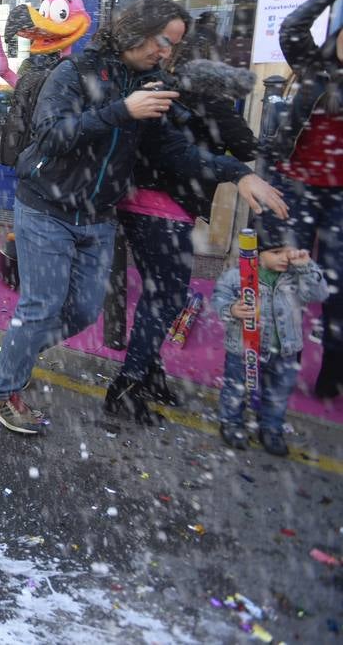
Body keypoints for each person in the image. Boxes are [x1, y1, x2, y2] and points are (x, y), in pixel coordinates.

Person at [0, 0, 288, 436]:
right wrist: (120, 111)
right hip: (45, 206)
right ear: (135, 31)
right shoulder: (75, 72)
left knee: (85, 311)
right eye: (164, 41)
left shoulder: (152, 84)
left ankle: (19, 353)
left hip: (98, 215)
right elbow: (49, 136)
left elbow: (173, 151)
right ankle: (3, 391)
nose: (165, 53)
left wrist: (238, 173)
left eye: (173, 46)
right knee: (41, 306)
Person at [106, 39, 258, 423]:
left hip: (137, 203)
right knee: (167, 300)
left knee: (158, 296)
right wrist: (222, 106)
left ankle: (149, 371)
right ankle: (127, 385)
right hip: (167, 210)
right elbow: (245, 146)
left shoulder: (163, 91)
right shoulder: (202, 102)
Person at [260, 0, 343, 398]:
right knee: (286, 278)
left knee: (336, 287)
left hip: (339, 200)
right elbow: (292, 25)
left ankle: (331, 373)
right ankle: (279, 370)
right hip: (296, 187)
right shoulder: (318, 67)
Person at [211, 217, 326, 455]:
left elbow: (319, 293)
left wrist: (307, 266)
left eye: (290, 250)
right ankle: (231, 423)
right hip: (243, 347)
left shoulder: (296, 274)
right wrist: (232, 309)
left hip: (285, 350)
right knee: (236, 388)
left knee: (278, 393)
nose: (286, 257)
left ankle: (271, 428)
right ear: (257, 252)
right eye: (276, 252)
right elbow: (218, 297)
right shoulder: (237, 275)